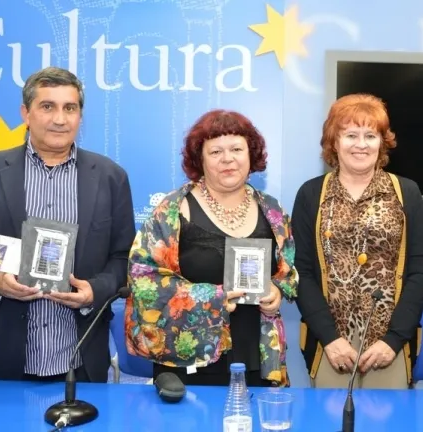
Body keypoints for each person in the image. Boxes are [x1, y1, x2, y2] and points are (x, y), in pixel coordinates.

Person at [0, 67, 135, 382]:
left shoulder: (111, 177)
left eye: (70, 108)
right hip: (3, 360)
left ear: (80, 116)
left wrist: (94, 291)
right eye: (47, 106)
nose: (60, 119)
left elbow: (125, 258)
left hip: (82, 361)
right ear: (25, 113)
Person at [124, 109, 298, 387]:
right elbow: (143, 281)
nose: (227, 159)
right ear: (200, 159)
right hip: (190, 359)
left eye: (236, 149)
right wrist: (212, 298)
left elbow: (287, 272)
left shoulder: (273, 210)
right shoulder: (172, 210)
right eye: (216, 151)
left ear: (250, 155)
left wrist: (277, 291)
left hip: (259, 356)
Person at [292, 93, 423, 389]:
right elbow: (301, 271)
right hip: (331, 346)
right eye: (351, 135)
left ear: (382, 142)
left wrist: (394, 339)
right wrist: (330, 338)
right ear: (334, 142)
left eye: (370, 135)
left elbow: (420, 270)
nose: (361, 144)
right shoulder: (311, 194)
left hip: (388, 346)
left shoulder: (406, 192)